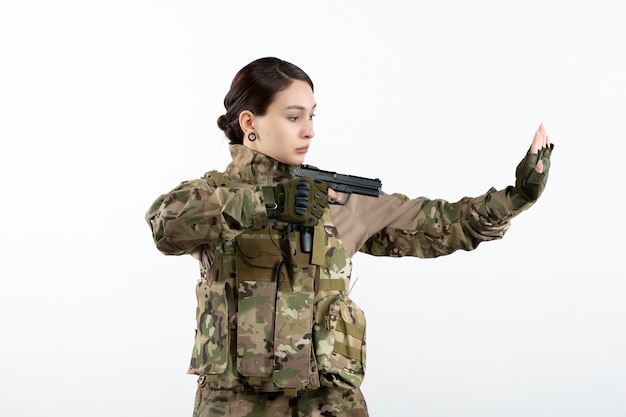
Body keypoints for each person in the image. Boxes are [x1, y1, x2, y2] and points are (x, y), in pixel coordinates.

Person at [145, 57, 554, 417]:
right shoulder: (209, 194)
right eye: (293, 117)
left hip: (327, 403)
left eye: (312, 116)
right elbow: (165, 226)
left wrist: (515, 198)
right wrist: (267, 202)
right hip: (235, 402)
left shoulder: (336, 198)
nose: (309, 131)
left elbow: (443, 222)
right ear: (250, 122)